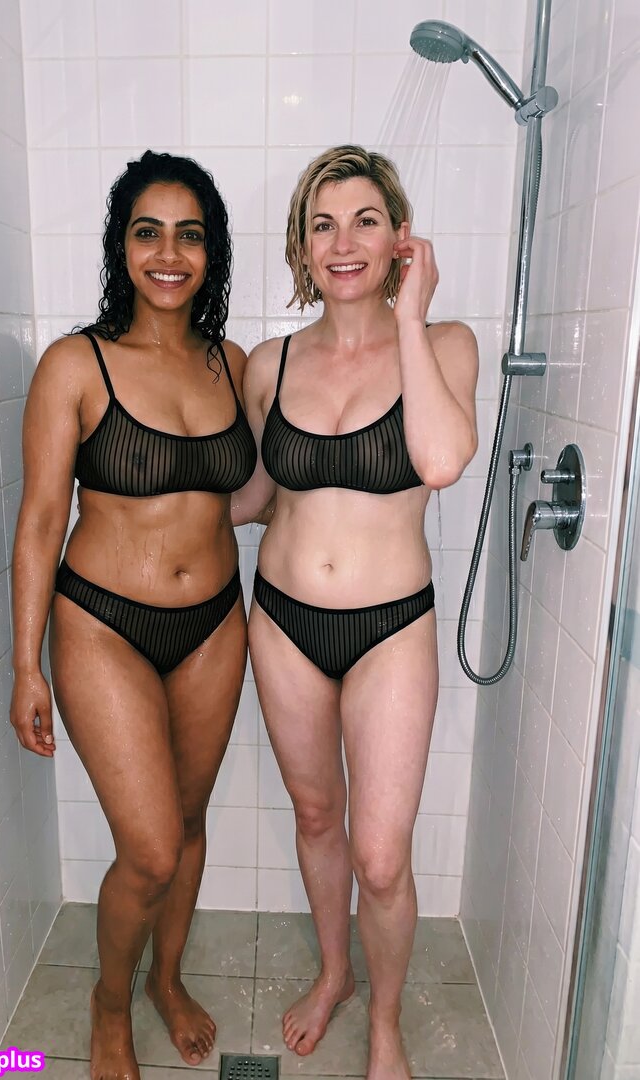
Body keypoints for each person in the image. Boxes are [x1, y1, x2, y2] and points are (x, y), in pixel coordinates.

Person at [232, 145, 478, 1079]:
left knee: (381, 856)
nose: (344, 242)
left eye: (366, 221)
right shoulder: (269, 364)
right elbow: (257, 496)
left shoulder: (444, 345)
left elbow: (442, 460)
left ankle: (385, 1021)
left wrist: (409, 314)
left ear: (398, 237)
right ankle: (335, 973)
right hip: (283, 621)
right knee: (315, 813)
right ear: (301, 246)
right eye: (323, 224)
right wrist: (154, 507)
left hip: (391, 630)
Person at [9, 150, 256, 1080]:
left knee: (187, 824)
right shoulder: (75, 364)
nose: (169, 254)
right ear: (120, 245)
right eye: (148, 232)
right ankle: (109, 1004)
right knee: (149, 850)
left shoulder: (229, 362)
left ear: (211, 252)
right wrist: (26, 664)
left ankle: (168, 979)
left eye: (190, 235)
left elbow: (250, 489)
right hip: (103, 624)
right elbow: (41, 522)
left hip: (214, 625)